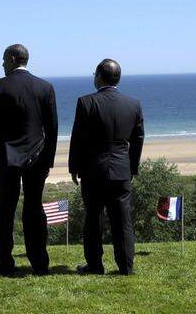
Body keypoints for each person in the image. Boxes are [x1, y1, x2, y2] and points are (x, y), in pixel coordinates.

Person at [0, 44, 58, 275]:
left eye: (5, 59)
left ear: (14, 58)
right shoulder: (45, 87)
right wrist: (49, 160)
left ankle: (5, 265)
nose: (2, 64)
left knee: (4, 212)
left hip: (7, 158)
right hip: (37, 157)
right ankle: (40, 264)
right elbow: (52, 128)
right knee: (34, 210)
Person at [69, 59, 144, 275]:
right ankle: (126, 266)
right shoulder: (133, 103)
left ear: (100, 76)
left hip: (93, 170)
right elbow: (138, 137)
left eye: (95, 73)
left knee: (93, 219)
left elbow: (78, 138)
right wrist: (132, 167)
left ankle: (94, 265)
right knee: (123, 221)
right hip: (121, 169)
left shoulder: (86, 102)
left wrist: (74, 167)